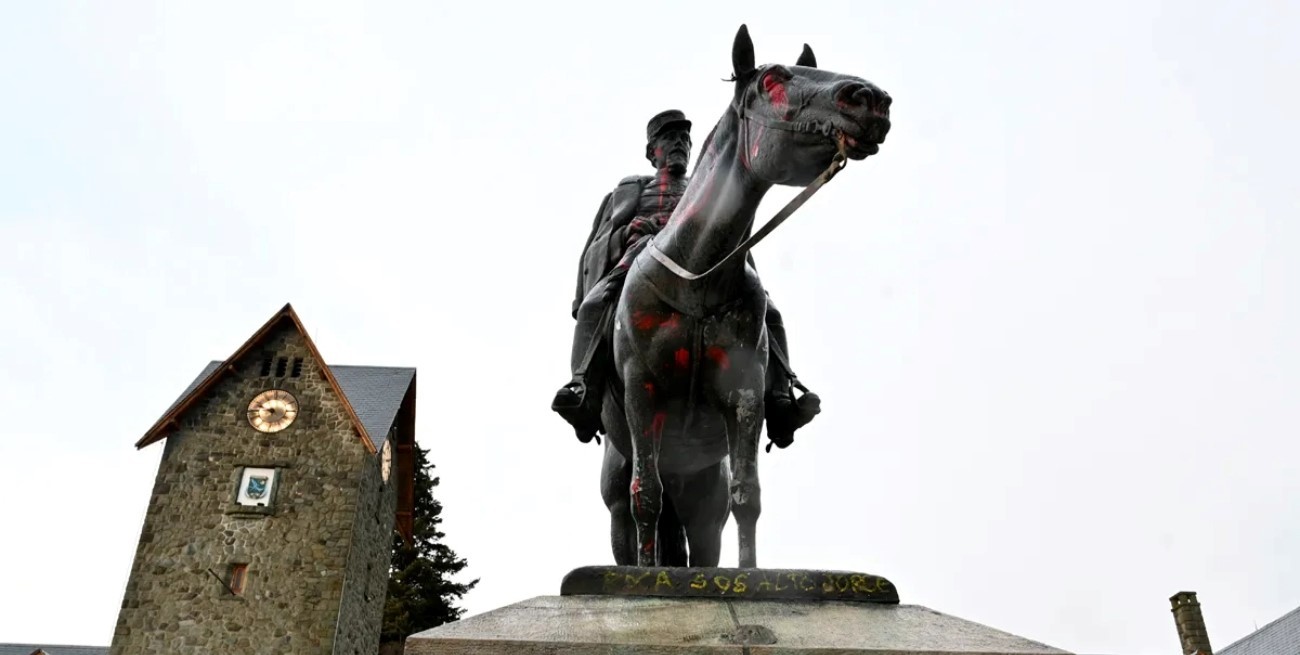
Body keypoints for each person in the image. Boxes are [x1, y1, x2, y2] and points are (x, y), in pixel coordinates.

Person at [552, 109, 820, 448]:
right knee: (595, 305)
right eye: (669, 140)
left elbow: (731, 230)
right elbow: (598, 240)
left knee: (769, 313)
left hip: (705, 266)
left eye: (683, 140)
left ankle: (781, 402)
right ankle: (584, 392)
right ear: (653, 153)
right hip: (641, 258)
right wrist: (630, 233)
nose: (678, 145)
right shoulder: (628, 190)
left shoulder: (703, 188)